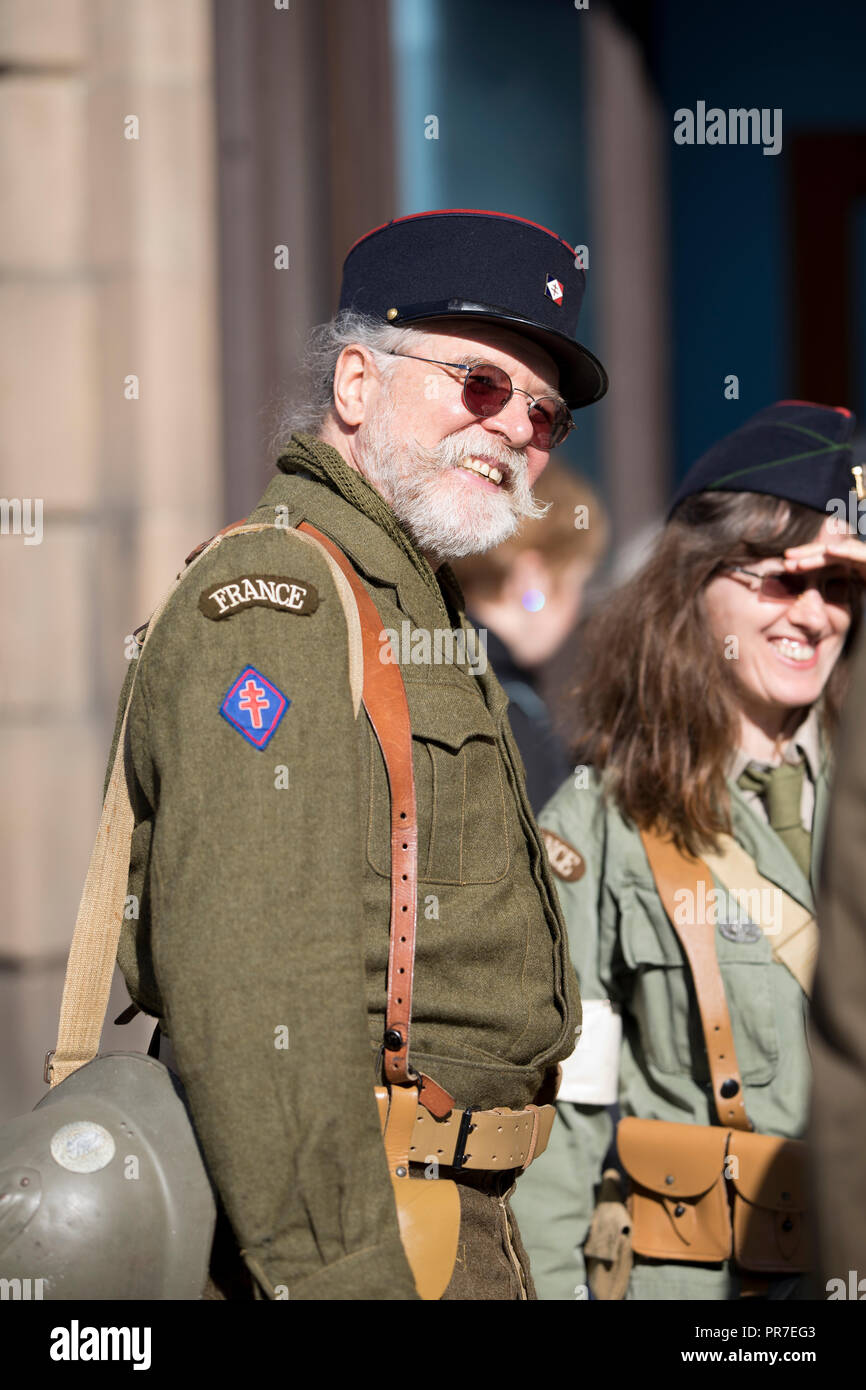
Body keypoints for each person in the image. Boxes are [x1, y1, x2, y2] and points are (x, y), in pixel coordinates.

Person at [103, 209, 608, 1300]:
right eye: (477, 382)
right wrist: (341, 1278)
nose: (514, 429)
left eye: (543, 414)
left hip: (453, 1222)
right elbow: (251, 987)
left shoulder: (406, 594)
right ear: (357, 384)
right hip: (362, 1236)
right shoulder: (281, 603)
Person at [511, 400, 865, 1300]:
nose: (815, 615)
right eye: (779, 580)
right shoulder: (602, 822)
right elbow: (567, 1122)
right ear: (694, 583)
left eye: (843, 588)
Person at [452, 462, 608, 813]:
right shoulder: (507, 707)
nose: (579, 606)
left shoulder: (438, 652)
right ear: (532, 577)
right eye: (577, 583)